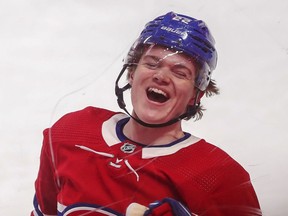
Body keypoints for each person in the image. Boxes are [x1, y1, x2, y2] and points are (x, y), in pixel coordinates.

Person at [31, 11, 262, 216]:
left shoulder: (221, 177)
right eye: (152, 64)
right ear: (131, 73)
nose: (161, 76)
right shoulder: (70, 132)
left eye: (180, 73)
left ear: (196, 95)